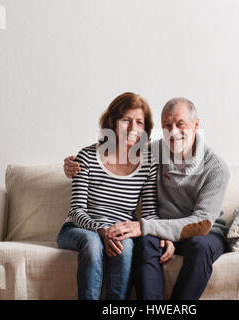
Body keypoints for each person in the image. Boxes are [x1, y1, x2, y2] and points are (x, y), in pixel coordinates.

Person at [64, 97, 230, 300]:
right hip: (160, 228)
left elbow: (202, 224)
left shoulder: (216, 168)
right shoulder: (153, 153)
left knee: (199, 246)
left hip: (204, 232)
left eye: (180, 124)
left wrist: (147, 228)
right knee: (145, 242)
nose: (174, 131)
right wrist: (72, 164)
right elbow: (115, 148)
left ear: (196, 125)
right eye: (167, 125)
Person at [57, 92, 160, 300]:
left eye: (139, 122)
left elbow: (149, 213)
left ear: (145, 128)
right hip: (79, 229)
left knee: (126, 246)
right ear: (113, 122)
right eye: (126, 121)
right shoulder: (87, 156)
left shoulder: (148, 163)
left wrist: (165, 235)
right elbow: (76, 211)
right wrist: (100, 230)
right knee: (93, 243)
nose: (133, 128)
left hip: (119, 231)